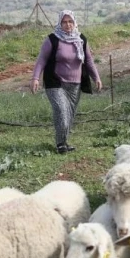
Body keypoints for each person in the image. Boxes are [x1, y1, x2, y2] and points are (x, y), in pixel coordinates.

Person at [30, 10, 102, 154]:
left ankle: (64, 141)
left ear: (74, 23)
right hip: (56, 83)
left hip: (75, 84)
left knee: (69, 114)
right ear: (60, 23)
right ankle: (60, 144)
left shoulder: (81, 39)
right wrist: (35, 78)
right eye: (64, 22)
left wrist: (96, 78)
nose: (68, 25)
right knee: (61, 111)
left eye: (70, 22)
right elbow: (41, 60)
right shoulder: (52, 39)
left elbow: (88, 61)